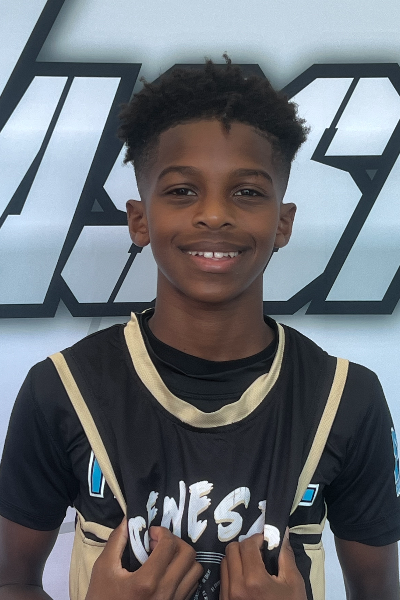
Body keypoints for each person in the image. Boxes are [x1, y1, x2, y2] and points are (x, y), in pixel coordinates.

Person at [0, 56, 399, 600]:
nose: (214, 214)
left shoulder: (347, 398)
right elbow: (12, 580)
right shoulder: (61, 389)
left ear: (283, 222)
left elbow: (379, 591)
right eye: (182, 191)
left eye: (248, 191)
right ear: (140, 219)